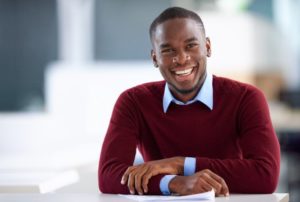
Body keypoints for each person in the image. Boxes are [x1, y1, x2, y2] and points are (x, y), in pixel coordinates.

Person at [98, 7, 280, 196]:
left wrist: (179, 164)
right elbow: (108, 175)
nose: (182, 59)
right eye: (168, 50)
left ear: (207, 47)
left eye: (191, 45)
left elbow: (265, 175)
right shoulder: (133, 102)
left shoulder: (246, 98)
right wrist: (175, 183)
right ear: (155, 58)